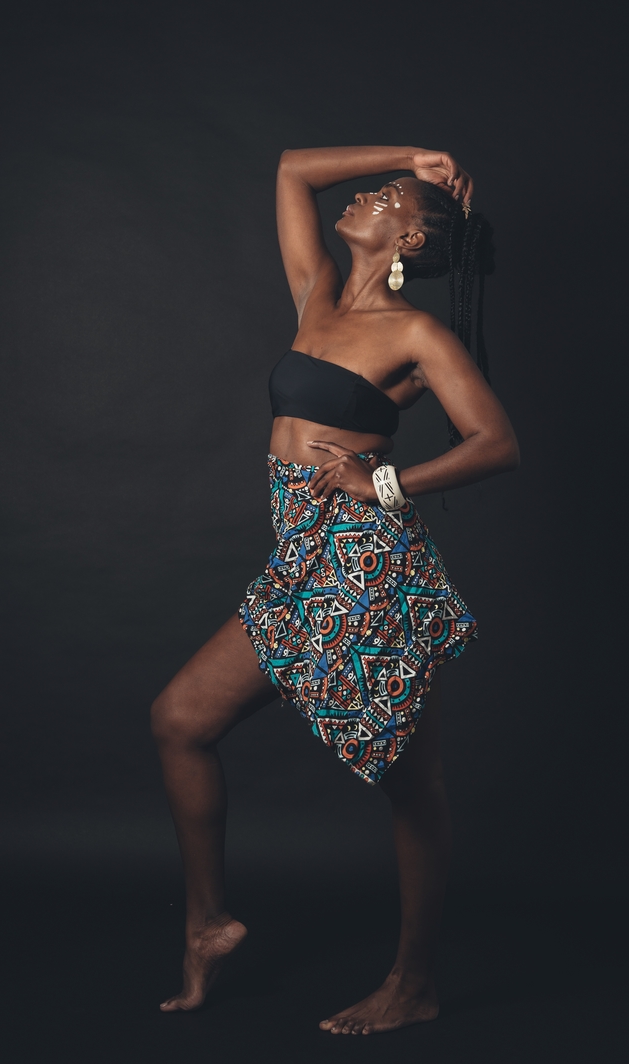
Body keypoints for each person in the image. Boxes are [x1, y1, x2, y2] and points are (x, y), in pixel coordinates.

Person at [151, 145, 519, 1034]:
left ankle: (413, 983)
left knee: (411, 784)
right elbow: (291, 171)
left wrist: (383, 483)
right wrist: (411, 155)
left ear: (410, 240)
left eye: (388, 196)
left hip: (368, 567)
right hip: (300, 564)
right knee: (180, 720)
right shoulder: (316, 292)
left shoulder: (417, 336)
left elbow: (497, 442)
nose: (365, 196)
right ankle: (207, 924)